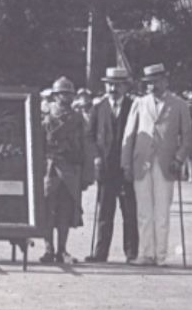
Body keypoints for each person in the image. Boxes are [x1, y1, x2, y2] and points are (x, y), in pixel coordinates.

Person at [120, 63, 192, 266]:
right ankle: (145, 253)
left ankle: (161, 255)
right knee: (144, 211)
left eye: (156, 81)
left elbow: (187, 137)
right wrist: (125, 163)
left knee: (162, 211)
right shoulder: (140, 103)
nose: (152, 86)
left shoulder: (179, 105)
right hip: (140, 162)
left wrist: (179, 159)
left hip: (166, 164)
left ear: (165, 80)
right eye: (149, 83)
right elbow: (129, 133)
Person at [86, 66, 138, 264]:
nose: (113, 89)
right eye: (110, 85)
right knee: (105, 213)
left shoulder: (133, 107)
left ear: (125, 87)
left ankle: (131, 253)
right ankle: (100, 253)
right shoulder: (98, 108)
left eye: (117, 85)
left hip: (126, 167)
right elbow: (89, 137)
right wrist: (96, 157)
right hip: (105, 168)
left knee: (129, 213)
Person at [40, 77, 94, 264]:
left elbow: (86, 146)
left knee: (65, 211)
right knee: (47, 210)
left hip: (70, 170)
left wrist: (88, 174)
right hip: (50, 169)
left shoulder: (78, 118)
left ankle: (62, 250)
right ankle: (48, 249)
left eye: (70, 94)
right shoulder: (46, 116)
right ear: (55, 96)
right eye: (63, 94)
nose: (67, 97)